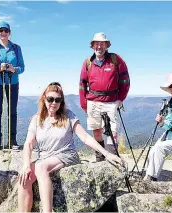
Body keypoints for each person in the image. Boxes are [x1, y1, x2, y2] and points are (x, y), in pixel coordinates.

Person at [18, 82, 124, 212]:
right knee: (24, 178)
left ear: (61, 101)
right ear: (44, 99)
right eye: (50, 99)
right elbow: (28, 143)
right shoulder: (37, 119)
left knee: (41, 167)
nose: (53, 103)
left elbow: (85, 137)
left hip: (66, 155)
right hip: (45, 157)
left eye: (57, 100)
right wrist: (26, 165)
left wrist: (107, 154)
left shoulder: (68, 116)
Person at [79, 32, 130, 162]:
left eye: (102, 44)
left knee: (112, 132)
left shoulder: (116, 60)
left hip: (111, 101)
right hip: (93, 101)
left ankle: (112, 158)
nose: (99, 47)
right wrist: (84, 104)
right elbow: (82, 85)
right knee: (97, 131)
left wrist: (120, 99)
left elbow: (125, 80)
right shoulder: (88, 63)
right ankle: (100, 158)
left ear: (106, 45)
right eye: (96, 44)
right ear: (92, 46)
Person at [0, 21, 25, 150]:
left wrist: (14, 69)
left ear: (9, 33)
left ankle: (12, 140)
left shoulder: (16, 48)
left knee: (12, 111)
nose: (3, 33)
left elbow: (22, 67)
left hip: (12, 82)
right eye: (0, 30)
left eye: (5, 31)